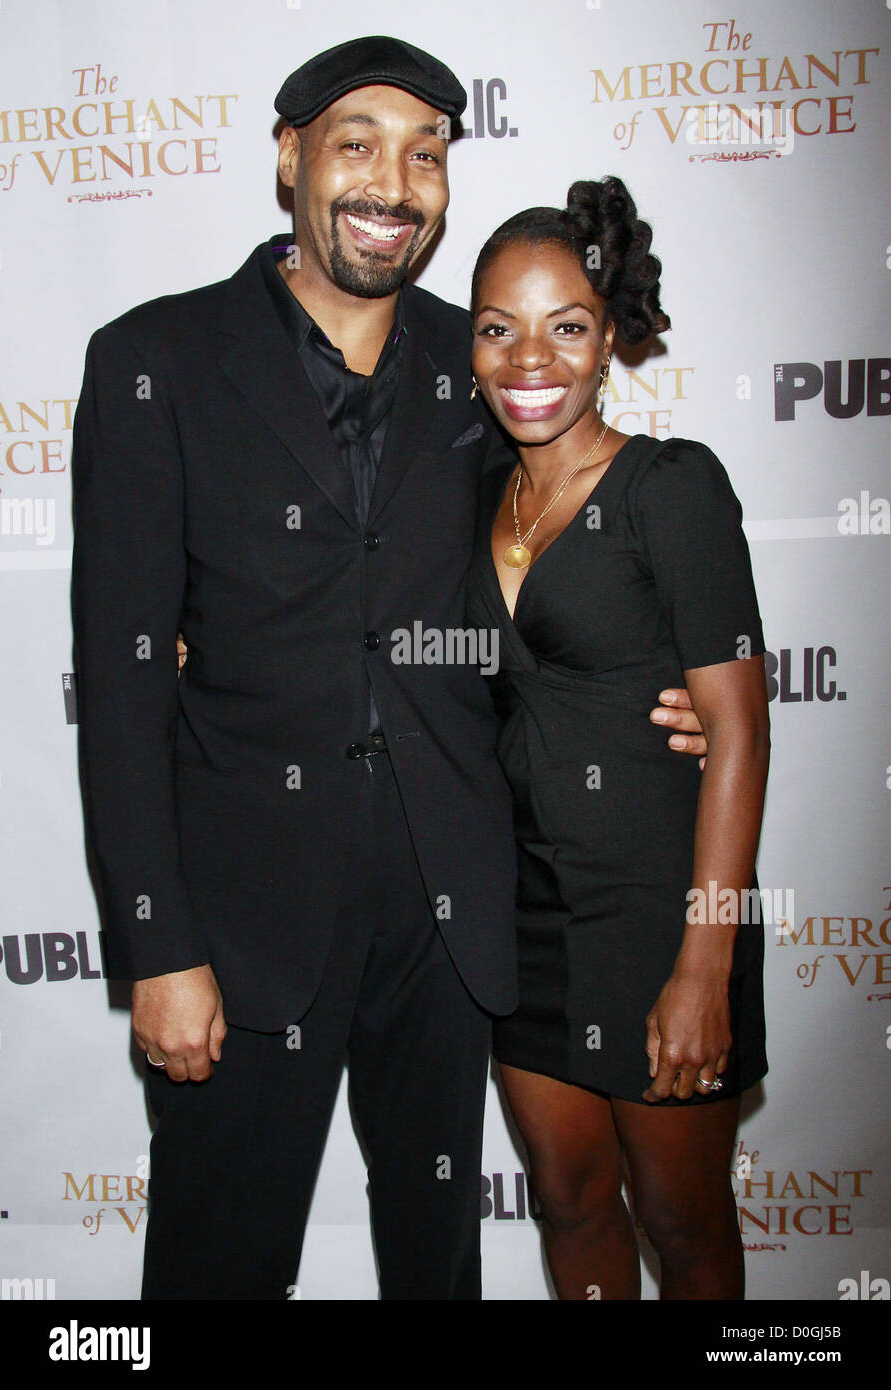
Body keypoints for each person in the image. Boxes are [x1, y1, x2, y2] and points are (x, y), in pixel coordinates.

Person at [71, 37, 707, 1301]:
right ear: (288, 157)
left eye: (425, 153)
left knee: (438, 1267)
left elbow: (547, 547)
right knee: (213, 1267)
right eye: (357, 142)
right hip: (239, 928)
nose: (394, 180)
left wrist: (649, 690)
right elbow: (121, 677)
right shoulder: (157, 361)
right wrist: (157, 945)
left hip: (444, 913)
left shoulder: (474, 358)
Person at [466, 176, 770, 1300]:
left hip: (658, 917)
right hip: (523, 920)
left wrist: (705, 963)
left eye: (566, 326)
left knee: (683, 1224)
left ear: (607, 340)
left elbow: (737, 737)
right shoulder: (465, 500)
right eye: (498, 329)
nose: (529, 358)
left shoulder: (671, 489)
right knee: (569, 1203)